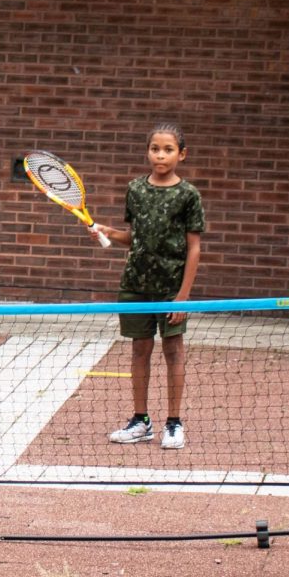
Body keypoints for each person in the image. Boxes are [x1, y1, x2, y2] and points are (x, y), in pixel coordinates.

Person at [91, 121, 204, 450]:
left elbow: (193, 247)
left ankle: (174, 422)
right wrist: (108, 232)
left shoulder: (188, 195)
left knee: (173, 351)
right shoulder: (135, 189)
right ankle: (141, 421)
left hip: (171, 288)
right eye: (155, 148)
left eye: (168, 149)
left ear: (181, 154)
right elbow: (135, 239)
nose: (160, 155)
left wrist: (183, 297)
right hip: (135, 285)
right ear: (148, 152)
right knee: (139, 351)